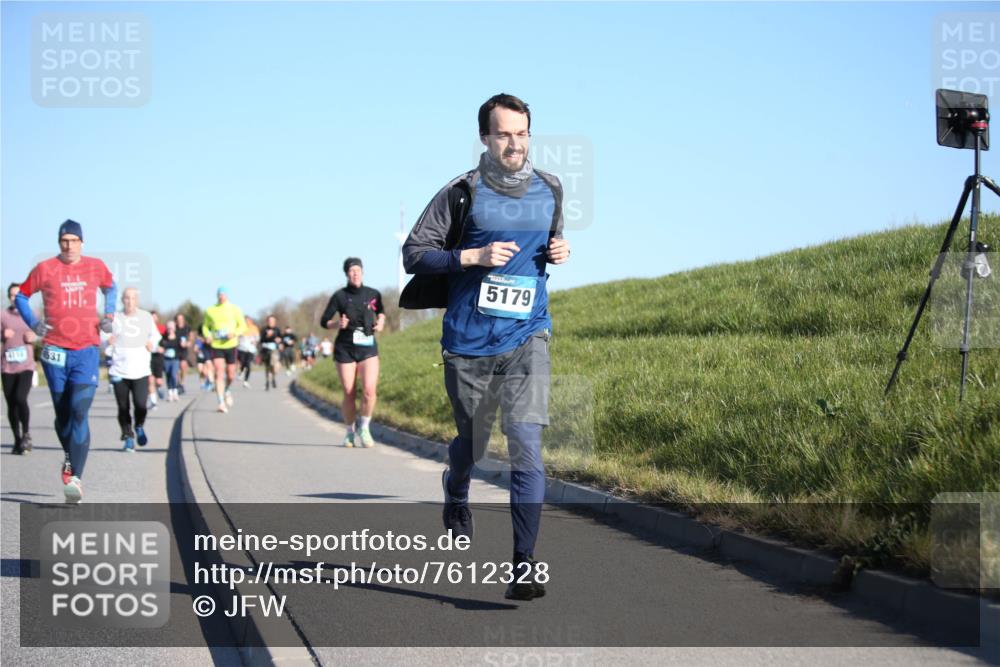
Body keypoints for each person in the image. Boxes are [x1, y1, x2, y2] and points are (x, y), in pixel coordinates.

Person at [402, 94, 571, 600]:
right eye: (504, 134)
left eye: (522, 134)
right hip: (469, 345)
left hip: (528, 336)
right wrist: (470, 255)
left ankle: (523, 565)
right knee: (472, 446)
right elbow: (413, 254)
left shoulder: (551, 189)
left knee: (527, 445)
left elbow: (551, 243)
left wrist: (561, 250)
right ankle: (456, 489)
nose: (514, 143)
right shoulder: (461, 193)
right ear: (485, 138)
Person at [15, 219, 117, 503]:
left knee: (79, 411)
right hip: (54, 351)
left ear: (82, 242)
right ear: (59, 242)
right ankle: (70, 456)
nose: (69, 245)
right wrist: (34, 324)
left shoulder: (95, 266)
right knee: (62, 416)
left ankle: (76, 479)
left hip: (85, 350)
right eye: (64, 241)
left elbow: (111, 288)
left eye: (74, 240)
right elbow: (22, 296)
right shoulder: (45, 269)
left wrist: (108, 315)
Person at [320, 257, 386, 448]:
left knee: (369, 391)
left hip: (368, 347)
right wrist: (337, 324)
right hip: (345, 348)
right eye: (351, 271)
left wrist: (380, 322)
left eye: (358, 270)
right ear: (347, 274)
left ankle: (364, 427)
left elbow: (380, 311)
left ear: (363, 272)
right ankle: (349, 432)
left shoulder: (373, 294)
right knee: (349, 392)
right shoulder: (339, 296)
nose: (355, 273)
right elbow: (324, 321)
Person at [107, 288, 160, 451]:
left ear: (137, 300)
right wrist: (107, 342)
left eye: (133, 298)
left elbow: (156, 336)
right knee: (123, 407)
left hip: (140, 370)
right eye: (127, 298)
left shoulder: (145, 317)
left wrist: (152, 343)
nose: (129, 301)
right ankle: (128, 436)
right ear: (122, 300)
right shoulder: (115, 318)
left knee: (141, 405)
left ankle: (139, 426)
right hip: (119, 370)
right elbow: (104, 337)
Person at [2, 282, 37, 455]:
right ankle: (17, 439)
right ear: (9, 297)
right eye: (12, 295)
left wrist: (34, 337)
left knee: (20, 398)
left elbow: (41, 332)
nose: (15, 298)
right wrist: (2, 335)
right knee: (11, 404)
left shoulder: (30, 314)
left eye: (18, 295)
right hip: (7, 366)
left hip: (26, 365)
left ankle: (26, 434)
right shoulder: (2, 315)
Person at [201, 287, 247, 413]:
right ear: (217, 296)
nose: (221, 296)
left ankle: (226, 389)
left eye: (223, 294)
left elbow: (243, 326)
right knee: (219, 372)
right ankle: (221, 402)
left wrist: (235, 333)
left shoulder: (235, 309)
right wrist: (208, 335)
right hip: (217, 345)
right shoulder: (210, 310)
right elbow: (205, 327)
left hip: (231, 344)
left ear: (227, 295)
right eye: (219, 294)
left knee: (231, 374)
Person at [159, 320, 183, 401]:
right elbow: (160, 347)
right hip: (166, 360)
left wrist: (184, 345)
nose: (170, 330)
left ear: (174, 328)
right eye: (168, 328)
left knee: (173, 375)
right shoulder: (163, 338)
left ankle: (175, 392)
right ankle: (170, 393)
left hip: (175, 359)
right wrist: (161, 349)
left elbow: (182, 348)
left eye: (171, 328)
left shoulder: (178, 337)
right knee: (168, 376)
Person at [147, 310, 166, 409]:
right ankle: (153, 401)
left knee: (158, 381)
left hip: (158, 357)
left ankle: (159, 388)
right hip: (148, 356)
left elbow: (167, 340)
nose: (153, 319)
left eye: (154, 317)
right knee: (150, 379)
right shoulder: (144, 328)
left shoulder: (161, 329)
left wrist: (163, 348)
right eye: (151, 317)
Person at [259, 315, 282, 391]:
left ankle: (273, 377)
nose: (270, 322)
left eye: (272, 321)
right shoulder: (264, 329)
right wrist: (267, 336)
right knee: (267, 367)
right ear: (267, 321)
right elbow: (261, 340)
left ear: (274, 322)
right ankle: (267, 382)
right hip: (266, 350)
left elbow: (280, 338)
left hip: (274, 350)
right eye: (269, 321)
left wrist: (279, 341)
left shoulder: (277, 329)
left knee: (275, 366)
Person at [237, 315, 259, 388]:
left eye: (248, 321)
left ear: (251, 321)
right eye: (245, 321)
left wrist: (255, 341)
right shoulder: (241, 328)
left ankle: (246, 381)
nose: (247, 322)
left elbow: (257, 337)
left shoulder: (254, 328)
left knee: (248, 364)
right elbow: (237, 336)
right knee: (243, 362)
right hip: (242, 348)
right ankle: (241, 372)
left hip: (251, 349)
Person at [174, 312, 192, 393]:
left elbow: (191, 338)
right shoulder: (174, 327)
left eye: (181, 319)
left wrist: (188, 343)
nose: (180, 321)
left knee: (183, 365)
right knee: (177, 368)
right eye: (178, 319)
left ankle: (182, 382)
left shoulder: (187, 327)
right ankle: (178, 383)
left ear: (183, 320)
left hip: (183, 349)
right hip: (175, 349)